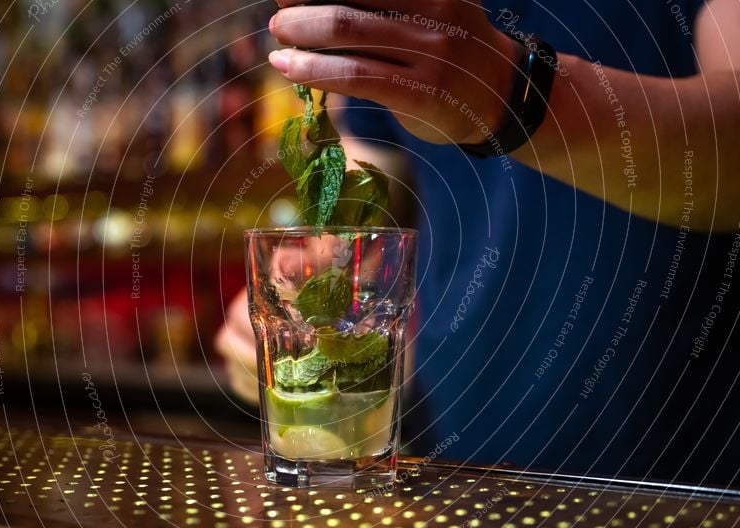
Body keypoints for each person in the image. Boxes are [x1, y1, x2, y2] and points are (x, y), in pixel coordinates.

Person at [217, 0, 740, 487]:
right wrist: (303, 290)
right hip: (450, 452)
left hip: (670, 468)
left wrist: (508, 90)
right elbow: (378, 162)